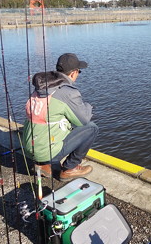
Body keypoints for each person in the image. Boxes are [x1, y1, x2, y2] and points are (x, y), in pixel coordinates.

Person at [22, 53, 99, 181]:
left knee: (54, 123)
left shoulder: (42, 87)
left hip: (29, 149)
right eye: (79, 71)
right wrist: (88, 106)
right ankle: (70, 168)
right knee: (91, 128)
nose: (78, 74)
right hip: (45, 151)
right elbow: (83, 120)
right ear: (74, 73)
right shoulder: (68, 92)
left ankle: (44, 165)